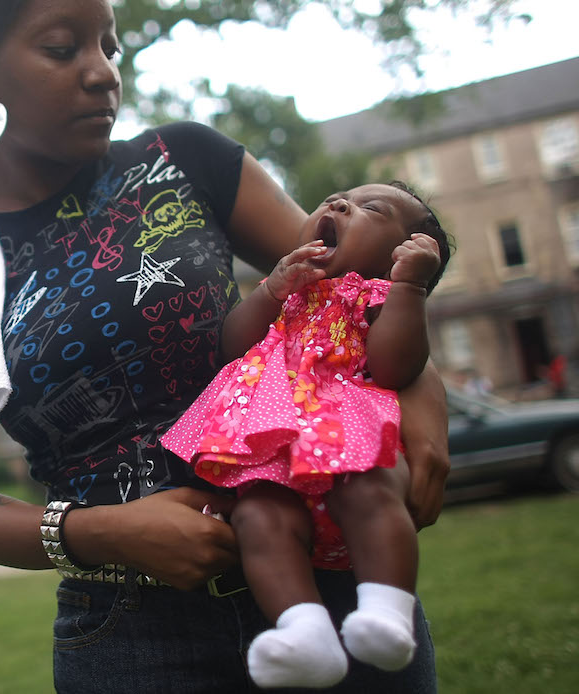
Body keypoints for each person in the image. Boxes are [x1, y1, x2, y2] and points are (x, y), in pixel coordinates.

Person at [0, 1, 450, 690]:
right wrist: (104, 532)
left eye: (109, 47)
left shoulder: (184, 160)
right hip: (133, 633)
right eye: (63, 49)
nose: (101, 73)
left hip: (329, 579)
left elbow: (351, 290)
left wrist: (422, 404)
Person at [160, 183, 452, 688]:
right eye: (335, 198)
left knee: (371, 486)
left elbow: (393, 367)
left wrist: (409, 289)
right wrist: (270, 290)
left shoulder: (381, 296)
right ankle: (305, 631)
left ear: (400, 255)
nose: (339, 205)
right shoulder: (288, 294)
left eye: (372, 209)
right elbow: (233, 346)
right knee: (258, 516)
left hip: (350, 438)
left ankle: (386, 612)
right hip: (279, 453)